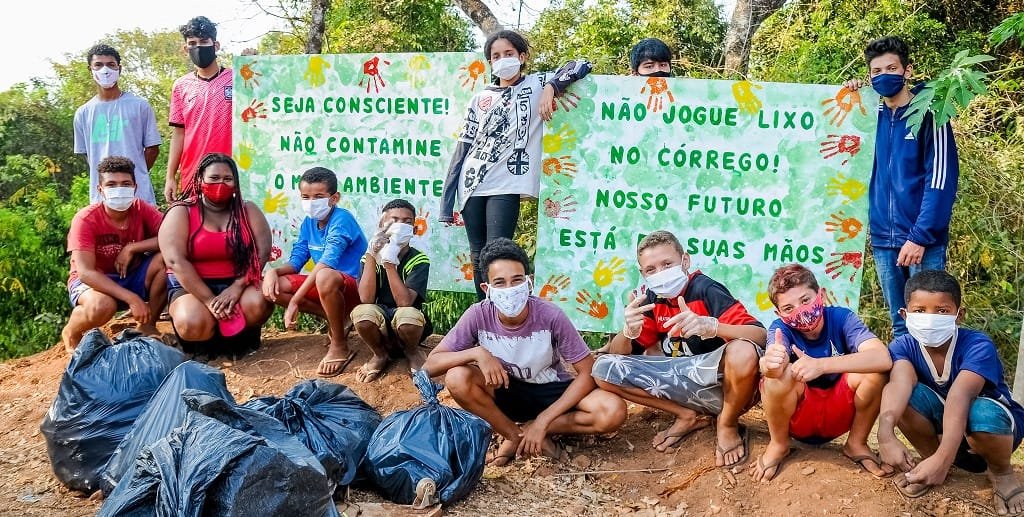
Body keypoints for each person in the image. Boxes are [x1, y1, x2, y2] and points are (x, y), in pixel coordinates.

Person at [422, 238, 626, 466]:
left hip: (551, 391)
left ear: (529, 282)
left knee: (612, 411)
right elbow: (430, 366)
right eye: (499, 282)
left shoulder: (550, 315)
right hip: (504, 391)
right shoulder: (478, 315)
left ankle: (532, 429)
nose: (509, 290)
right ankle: (513, 434)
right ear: (486, 288)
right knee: (457, 377)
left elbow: (587, 371)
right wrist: (477, 353)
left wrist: (543, 421)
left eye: (516, 280)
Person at [591, 230, 765, 469]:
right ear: (642, 274)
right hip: (681, 381)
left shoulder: (706, 289)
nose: (660, 274)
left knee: (744, 351)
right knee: (603, 368)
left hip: (726, 389)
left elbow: (759, 335)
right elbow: (620, 354)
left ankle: (727, 423)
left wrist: (712, 326)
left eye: (667, 264)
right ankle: (686, 415)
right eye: (651, 270)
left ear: (685, 261)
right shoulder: (651, 299)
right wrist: (628, 330)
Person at [439, 30, 592, 300]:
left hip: (508, 182)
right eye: (495, 56)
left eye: (508, 54)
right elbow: (463, 147)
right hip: (473, 181)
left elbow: (581, 64)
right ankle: (485, 314)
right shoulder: (480, 98)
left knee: (498, 248)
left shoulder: (536, 83)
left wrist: (551, 88)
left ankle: (506, 312)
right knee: (478, 254)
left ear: (522, 57)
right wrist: (446, 203)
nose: (502, 60)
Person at [877, 270, 1024, 513]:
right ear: (904, 315)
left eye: (942, 311)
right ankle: (930, 459)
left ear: (959, 315)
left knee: (981, 411)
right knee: (904, 397)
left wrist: (944, 458)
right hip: (948, 430)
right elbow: (898, 384)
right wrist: (885, 433)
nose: (930, 318)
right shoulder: (903, 346)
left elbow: (961, 395)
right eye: (920, 311)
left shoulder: (977, 344)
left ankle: (1002, 473)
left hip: (993, 430)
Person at [844, 36, 959, 338]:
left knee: (932, 326)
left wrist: (919, 237)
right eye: (876, 72)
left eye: (891, 68)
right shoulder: (870, 118)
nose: (884, 76)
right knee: (901, 327)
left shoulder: (932, 116)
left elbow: (941, 181)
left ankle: (939, 385)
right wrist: (850, 97)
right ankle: (909, 386)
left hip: (924, 241)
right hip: (883, 239)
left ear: (907, 71)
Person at [753, 264, 894, 482]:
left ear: (822, 295)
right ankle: (779, 444)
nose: (801, 311)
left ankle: (857, 442)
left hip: (839, 411)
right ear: (779, 314)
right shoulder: (779, 329)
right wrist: (768, 365)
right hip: (800, 417)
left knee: (875, 372)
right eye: (789, 308)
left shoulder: (842, 318)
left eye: (805, 300)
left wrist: (821, 365)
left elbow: (882, 358)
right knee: (778, 378)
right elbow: (774, 364)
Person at [159, 153, 272, 353]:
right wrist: (209, 300)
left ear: (236, 183)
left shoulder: (248, 210)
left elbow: (261, 253)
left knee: (258, 302)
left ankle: (242, 344)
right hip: (191, 286)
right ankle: (200, 350)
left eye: (227, 179)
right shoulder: (181, 212)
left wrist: (237, 287)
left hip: (240, 282)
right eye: (214, 178)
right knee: (192, 321)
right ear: (199, 180)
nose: (220, 184)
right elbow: (175, 261)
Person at [261, 167, 367, 377]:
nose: (311, 202)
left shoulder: (342, 219)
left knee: (324, 276)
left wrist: (295, 301)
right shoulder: (308, 223)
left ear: (334, 198)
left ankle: (339, 345)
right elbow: (296, 261)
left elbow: (327, 262)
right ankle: (340, 320)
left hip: (357, 289)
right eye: (306, 197)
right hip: (328, 287)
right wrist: (273, 272)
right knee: (273, 285)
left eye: (318, 196)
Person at [61, 156, 166, 352]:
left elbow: (172, 238)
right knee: (102, 306)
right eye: (111, 184)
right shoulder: (85, 219)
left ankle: (147, 324)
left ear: (134, 187)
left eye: (125, 183)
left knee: (167, 260)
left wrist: (132, 248)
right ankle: (71, 332)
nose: (119, 189)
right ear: (100, 190)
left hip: (132, 275)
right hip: (93, 282)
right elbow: (85, 273)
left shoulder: (141, 209)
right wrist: (132, 299)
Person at [350, 199, 432, 382]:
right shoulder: (369, 257)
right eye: (394, 220)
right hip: (381, 321)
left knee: (407, 315)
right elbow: (366, 298)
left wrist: (390, 263)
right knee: (361, 313)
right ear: (382, 225)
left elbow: (404, 302)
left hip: (410, 324)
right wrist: (372, 254)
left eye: (407, 222)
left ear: (414, 229)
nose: (400, 225)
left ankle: (412, 352)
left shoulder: (419, 259)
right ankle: (380, 354)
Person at [74, 44, 162, 206]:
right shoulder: (83, 113)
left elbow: (152, 149)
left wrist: (132, 176)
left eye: (111, 65)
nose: (105, 70)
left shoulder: (140, 106)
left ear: (119, 68)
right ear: (90, 69)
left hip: (139, 195)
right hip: (102, 198)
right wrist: (110, 181)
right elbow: (88, 155)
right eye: (98, 65)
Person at [165, 16, 233, 203]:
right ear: (185, 48)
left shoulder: (237, 80)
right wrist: (171, 176)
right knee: (195, 227)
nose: (198, 47)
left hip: (231, 172)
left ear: (216, 45)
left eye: (204, 42)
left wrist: (255, 63)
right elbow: (179, 133)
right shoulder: (181, 86)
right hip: (193, 172)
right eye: (192, 43)